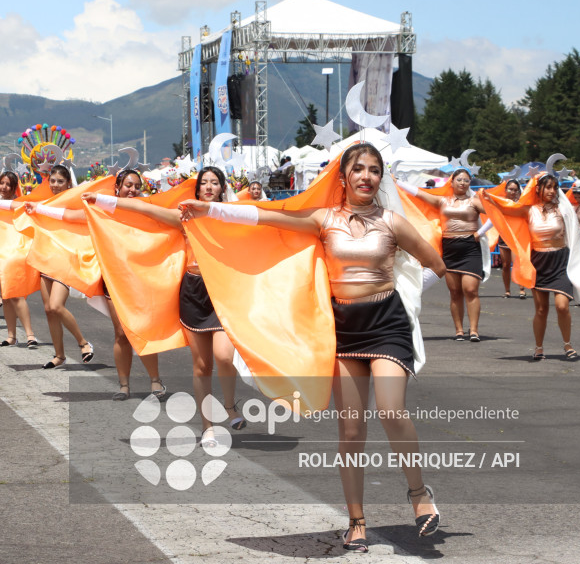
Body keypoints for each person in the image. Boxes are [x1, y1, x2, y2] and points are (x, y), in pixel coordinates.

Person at [180, 144, 445, 546]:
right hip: (343, 330)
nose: (367, 177)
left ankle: (419, 493)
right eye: (359, 169)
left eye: (374, 170)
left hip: (387, 325)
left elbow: (436, 265)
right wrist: (211, 210)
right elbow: (270, 217)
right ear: (343, 177)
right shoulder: (325, 219)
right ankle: (356, 520)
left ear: (381, 178)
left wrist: (406, 299)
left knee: (391, 410)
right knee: (352, 430)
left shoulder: (393, 223)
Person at [90, 166, 245, 442]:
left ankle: (230, 406)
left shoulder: (231, 217)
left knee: (224, 356)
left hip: (222, 293)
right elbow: (146, 209)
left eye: (214, 183)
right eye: (204, 183)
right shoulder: (184, 217)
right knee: (201, 365)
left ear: (222, 189)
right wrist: (103, 201)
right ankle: (207, 426)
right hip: (193, 293)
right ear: (197, 190)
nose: (209, 187)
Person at [483, 172, 580, 359]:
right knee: (541, 309)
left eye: (555, 187)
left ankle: (568, 345)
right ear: (538, 188)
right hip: (539, 261)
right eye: (548, 187)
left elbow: (575, 233)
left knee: (562, 305)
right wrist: (489, 197)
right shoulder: (529, 210)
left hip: (561, 261)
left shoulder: (564, 209)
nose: (552, 191)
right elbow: (507, 208)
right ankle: (539, 347)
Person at [80, 169, 165, 401]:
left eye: (137, 186)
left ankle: (155, 380)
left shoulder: (146, 209)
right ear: (117, 187)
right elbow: (74, 218)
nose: (133, 190)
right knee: (121, 333)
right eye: (128, 185)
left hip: (140, 280)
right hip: (114, 280)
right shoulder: (103, 212)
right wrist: (39, 210)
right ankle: (124, 385)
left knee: (142, 330)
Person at [398, 168, 489, 341]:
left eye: (466, 180)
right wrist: (397, 182)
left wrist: (481, 232)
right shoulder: (442, 201)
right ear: (452, 182)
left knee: (470, 289)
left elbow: (496, 214)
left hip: (470, 248)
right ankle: (459, 330)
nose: (463, 183)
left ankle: (474, 330)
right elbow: (419, 194)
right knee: (454, 292)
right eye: (459, 180)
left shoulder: (474, 201)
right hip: (449, 247)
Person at [22, 165, 94, 368]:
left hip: (65, 261)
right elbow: (17, 206)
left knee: (56, 306)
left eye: (59, 181)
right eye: (52, 180)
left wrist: (40, 209)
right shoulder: (42, 203)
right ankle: (59, 356)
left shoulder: (74, 203)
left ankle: (84, 343)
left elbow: (78, 217)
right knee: (48, 310)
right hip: (45, 260)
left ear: (68, 184)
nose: (55, 185)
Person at [0, 171, 39, 347]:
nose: (4, 187)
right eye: (2, 183)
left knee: (16, 295)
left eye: (8, 184)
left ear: (14, 188)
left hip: (15, 256)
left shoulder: (19, 204)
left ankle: (30, 335)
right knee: (6, 296)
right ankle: (11, 336)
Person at [499, 180, 526, 299]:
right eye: (510, 189)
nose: (513, 192)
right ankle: (507, 290)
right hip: (504, 236)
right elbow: (492, 219)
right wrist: (480, 233)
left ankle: (522, 289)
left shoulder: (521, 203)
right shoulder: (501, 203)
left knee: (517, 263)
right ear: (505, 190)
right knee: (505, 265)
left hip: (517, 237)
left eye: (515, 189)